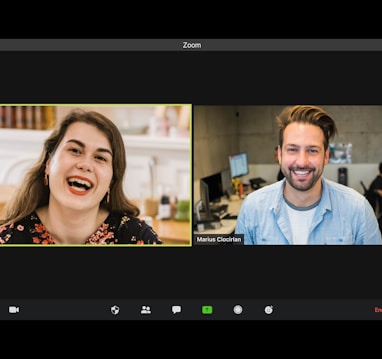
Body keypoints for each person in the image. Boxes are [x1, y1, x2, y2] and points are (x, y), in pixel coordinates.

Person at [0, 109, 162, 245]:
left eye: (100, 158)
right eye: (75, 150)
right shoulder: (8, 239)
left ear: (111, 182)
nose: (85, 164)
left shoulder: (137, 237)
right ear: (48, 164)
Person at [235, 105, 382, 245]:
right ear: (279, 154)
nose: (302, 162)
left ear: (326, 156)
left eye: (312, 150)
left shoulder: (358, 210)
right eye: (292, 149)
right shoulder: (252, 208)